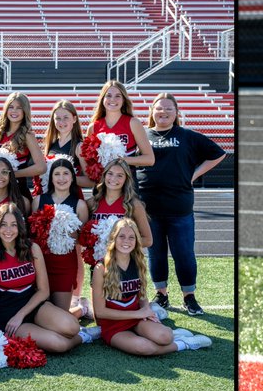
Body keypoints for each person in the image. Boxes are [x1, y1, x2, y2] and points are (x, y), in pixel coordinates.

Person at [136, 92, 227, 316]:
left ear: (176, 113)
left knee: (184, 254)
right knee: (155, 254)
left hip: (179, 208)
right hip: (148, 210)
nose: (163, 112)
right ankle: (162, 294)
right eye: (159, 108)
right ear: (152, 111)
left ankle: (189, 297)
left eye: (169, 108)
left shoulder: (187, 136)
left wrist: (194, 175)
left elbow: (218, 153)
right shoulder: (142, 136)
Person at [91, 217, 212, 354]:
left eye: (132, 237)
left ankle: (174, 334)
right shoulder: (101, 268)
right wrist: (138, 313)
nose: (126, 241)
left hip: (136, 319)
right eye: (122, 236)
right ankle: (185, 344)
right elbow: (100, 312)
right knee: (144, 348)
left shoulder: (138, 263)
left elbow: (142, 296)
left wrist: (146, 310)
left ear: (137, 241)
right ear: (113, 238)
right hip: (113, 325)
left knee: (165, 337)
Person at [0, 203, 82, 353]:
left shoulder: (32, 249)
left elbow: (43, 291)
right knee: (58, 344)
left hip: (33, 305)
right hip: (8, 315)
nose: (8, 230)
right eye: (3, 225)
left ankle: (74, 330)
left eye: (13, 225)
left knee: (72, 327)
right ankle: (83, 338)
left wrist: (22, 314)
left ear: (20, 226)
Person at [35, 157, 90, 316]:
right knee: (40, 313)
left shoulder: (80, 205)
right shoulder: (38, 201)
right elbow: (33, 234)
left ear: (72, 177)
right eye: (57, 174)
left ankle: (80, 309)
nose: (61, 178)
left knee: (60, 315)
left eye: (66, 173)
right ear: (51, 178)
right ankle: (81, 309)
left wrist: (67, 233)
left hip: (65, 265)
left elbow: (83, 240)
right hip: (42, 263)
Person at [87, 79, 155, 168]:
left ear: (123, 100)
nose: (113, 99)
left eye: (118, 96)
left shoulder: (133, 123)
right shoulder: (93, 127)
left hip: (128, 178)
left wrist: (122, 159)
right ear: (103, 99)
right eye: (108, 95)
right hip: (103, 180)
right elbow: (89, 161)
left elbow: (149, 159)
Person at [0, 91, 46, 194]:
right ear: (6, 109)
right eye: (11, 107)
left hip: (17, 190)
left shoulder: (28, 135)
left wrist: (12, 174)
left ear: (25, 111)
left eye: (19, 108)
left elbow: (41, 167)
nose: (14, 111)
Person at [89, 158, 153, 248]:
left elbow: (148, 240)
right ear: (104, 176)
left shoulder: (134, 205)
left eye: (120, 175)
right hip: (98, 260)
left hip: (124, 259)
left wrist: (120, 245)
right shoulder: (92, 203)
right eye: (110, 173)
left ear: (126, 179)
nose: (113, 179)